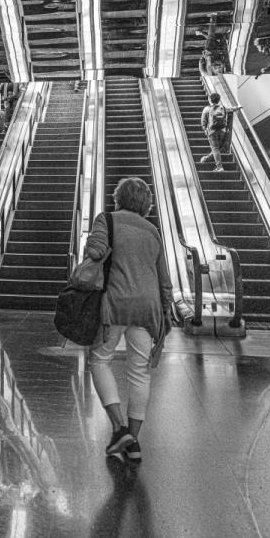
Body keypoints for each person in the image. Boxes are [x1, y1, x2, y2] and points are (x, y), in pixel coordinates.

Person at [85, 177, 173, 463]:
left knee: (99, 360)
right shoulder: (153, 231)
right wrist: (166, 311)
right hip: (148, 309)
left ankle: (119, 427)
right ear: (146, 203)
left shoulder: (107, 219)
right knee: (140, 372)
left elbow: (95, 252)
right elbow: (164, 278)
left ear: (118, 198)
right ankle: (133, 442)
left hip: (115, 304)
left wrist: (95, 248)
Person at [200, 92, 241, 173]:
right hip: (222, 131)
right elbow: (231, 109)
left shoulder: (206, 109)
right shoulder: (222, 108)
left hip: (212, 131)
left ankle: (219, 167)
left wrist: (205, 129)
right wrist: (237, 108)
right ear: (219, 100)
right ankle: (206, 158)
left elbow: (203, 121)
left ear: (210, 100)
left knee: (215, 148)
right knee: (218, 148)